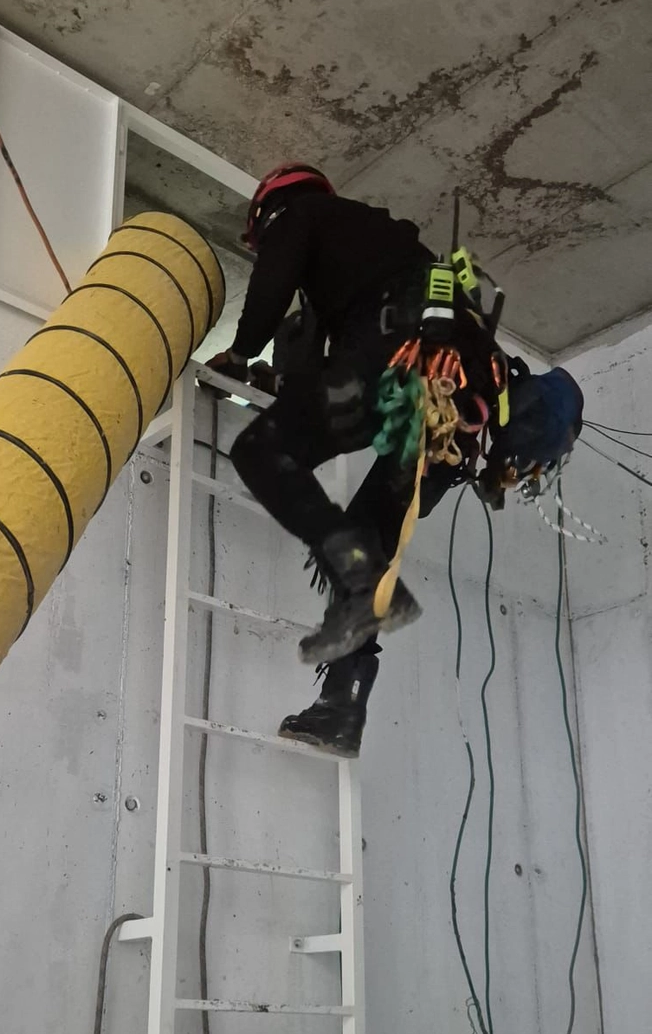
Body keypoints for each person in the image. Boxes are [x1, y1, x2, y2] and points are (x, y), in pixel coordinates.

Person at [207, 163, 583, 757]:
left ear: (266, 214)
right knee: (363, 540)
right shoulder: (381, 253)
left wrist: (238, 353)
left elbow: (276, 284)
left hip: (397, 373)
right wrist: (282, 384)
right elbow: (321, 378)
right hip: (453, 417)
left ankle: (357, 584)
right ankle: (341, 708)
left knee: (260, 449)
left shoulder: (303, 215)